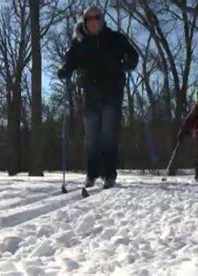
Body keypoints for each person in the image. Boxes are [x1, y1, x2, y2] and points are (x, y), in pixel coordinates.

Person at [57, 6, 139, 189]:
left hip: (112, 94)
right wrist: (64, 69)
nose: (94, 21)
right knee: (92, 138)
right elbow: (69, 60)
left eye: (97, 17)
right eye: (89, 18)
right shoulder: (79, 43)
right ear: (84, 21)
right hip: (90, 96)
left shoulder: (115, 38)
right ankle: (92, 174)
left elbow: (133, 55)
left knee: (108, 136)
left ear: (102, 19)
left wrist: (128, 64)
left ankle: (109, 174)